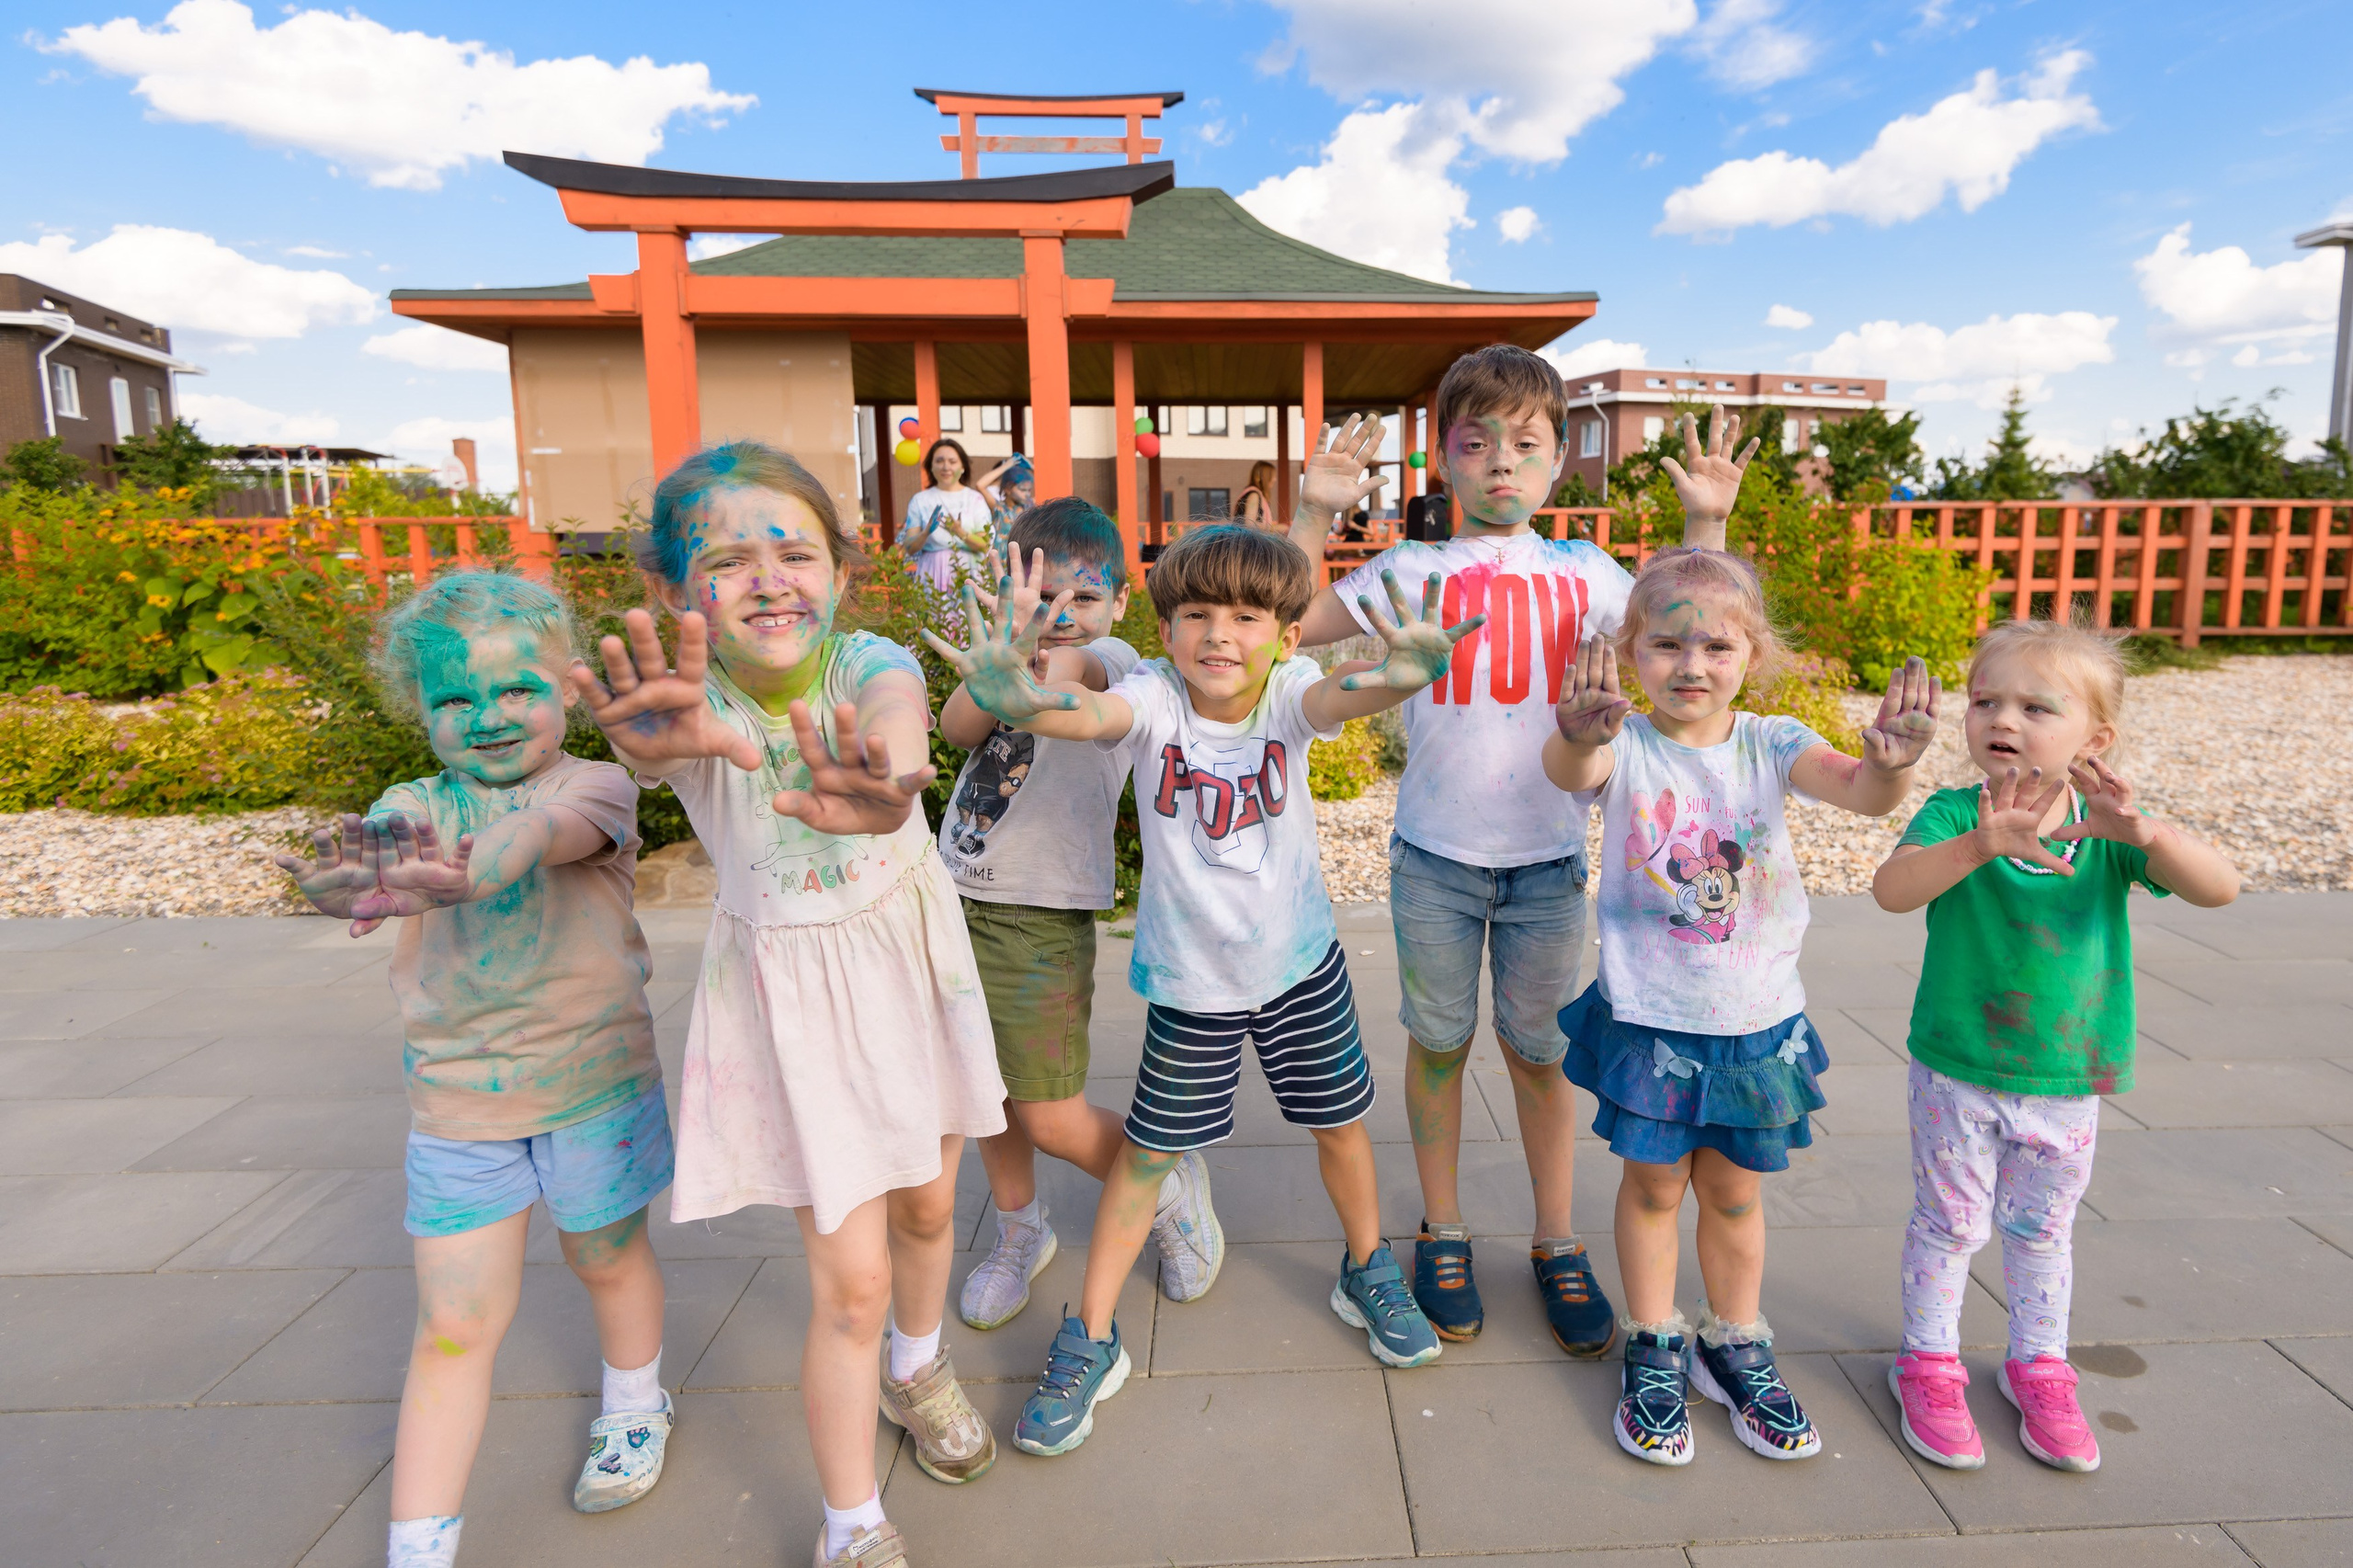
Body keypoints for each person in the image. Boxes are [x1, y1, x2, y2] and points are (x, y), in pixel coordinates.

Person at [927, 519, 1484, 1457]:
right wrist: (1014, 694)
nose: (1218, 633)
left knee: (1340, 1128)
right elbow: (1086, 717)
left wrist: (1403, 671)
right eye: (1194, 612)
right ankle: (1093, 1334)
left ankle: (1366, 1268)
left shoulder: (1290, 694)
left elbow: (1353, 692)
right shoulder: (1149, 695)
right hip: (1191, 986)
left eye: (1243, 614)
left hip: (1300, 967)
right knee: (1145, 1157)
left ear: (1284, 632)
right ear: (1168, 626)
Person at [570, 442, 1006, 1568]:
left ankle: (919, 1364)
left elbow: (898, 711)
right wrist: (660, 741)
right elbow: (664, 744)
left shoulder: (864, 658)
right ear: (677, 594)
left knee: (927, 1208)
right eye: (726, 558)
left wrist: (893, 771)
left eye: (794, 549)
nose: (769, 577)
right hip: (798, 1004)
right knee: (848, 1278)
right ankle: (850, 1520)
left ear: (842, 570)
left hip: (910, 971)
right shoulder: (690, 701)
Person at [1284, 347, 1742, 1367]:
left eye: (1526, 445)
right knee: (1438, 1042)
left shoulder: (1585, 574)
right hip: (1434, 858)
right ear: (1441, 456)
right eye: (1476, 441)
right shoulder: (1409, 569)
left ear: (1558, 462)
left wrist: (1703, 525)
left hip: (1547, 863)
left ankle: (1555, 1234)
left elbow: (1690, 618)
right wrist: (1316, 510)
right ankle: (1440, 1228)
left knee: (1539, 1053)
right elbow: (1286, 620)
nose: (1501, 464)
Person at [274, 572, 674, 1568]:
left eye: (514, 690)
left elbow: (538, 837)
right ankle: (420, 1542)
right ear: (419, 709)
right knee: (453, 1323)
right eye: (454, 699)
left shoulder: (598, 784)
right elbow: (376, 861)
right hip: (456, 1103)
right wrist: (351, 884)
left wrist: (470, 869)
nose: (486, 717)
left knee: (605, 1256)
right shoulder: (410, 803)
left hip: (593, 1085)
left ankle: (636, 1401)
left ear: (570, 687)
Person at [1540, 550, 1942, 1465]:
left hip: (1755, 1022)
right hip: (1650, 1017)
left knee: (1731, 1191)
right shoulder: (1622, 744)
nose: (1691, 663)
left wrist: (1893, 767)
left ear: (1751, 653)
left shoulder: (1771, 739)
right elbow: (1571, 768)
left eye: (1716, 644)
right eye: (1667, 642)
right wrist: (1573, 728)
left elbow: (1859, 790)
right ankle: (1653, 1340)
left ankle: (1733, 1340)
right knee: (1651, 1186)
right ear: (1628, 650)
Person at [1872, 619, 2238, 1474]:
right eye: (1986, 701)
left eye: (2038, 706)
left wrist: (2143, 834)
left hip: (2068, 1076)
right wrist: (1977, 846)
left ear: (2094, 739)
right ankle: (1927, 1362)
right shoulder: (1956, 811)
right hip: (1959, 1069)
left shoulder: (2104, 827)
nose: (2004, 718)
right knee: (1951, 1223)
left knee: (2041, 1230)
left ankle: (2039, 1365)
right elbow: (1893, 891)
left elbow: (2219, 890)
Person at [936, 500, 1223, 1330]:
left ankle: (1167, 1187)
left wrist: (1028, 656)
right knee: (983, 1098)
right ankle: (1023, 1232)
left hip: (1039, 916)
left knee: (1050, 1114)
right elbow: (960, 730)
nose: (1062, 616)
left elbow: (1066, 682)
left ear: (1119, 606)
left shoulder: (1117, 660)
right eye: (1040, 596)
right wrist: (1000, 655)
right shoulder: (1010, 652)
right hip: (955, 897)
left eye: (1083, 598)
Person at [902, 437, 994, 597]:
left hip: (969, 573)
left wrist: (960, 532)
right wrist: (926, 533)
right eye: (939, 461)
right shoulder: (920, 500)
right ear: (931, 466)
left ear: (963, 466)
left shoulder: (975, 499)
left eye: (952, 461)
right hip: (932, 573)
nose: (946, 467)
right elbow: (909, 547)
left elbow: (985, 543)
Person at [977, 453, 1034, 545]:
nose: (1027, 494)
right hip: (1000, 558)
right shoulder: (1000, 508)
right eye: (1022, 490)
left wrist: (1032, 467)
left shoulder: (1028, 507)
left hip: (1021, 557)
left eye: (1029, 490)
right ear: (1008, 489)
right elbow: (980, 485)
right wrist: (1005, 467)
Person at [1234, 460, 1278, 528]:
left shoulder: (1252, 494)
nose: (1275, 479)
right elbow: (1249, 524)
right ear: (1265, 477)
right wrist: (1273, 528)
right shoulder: (1254, 496)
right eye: (1272, 476)